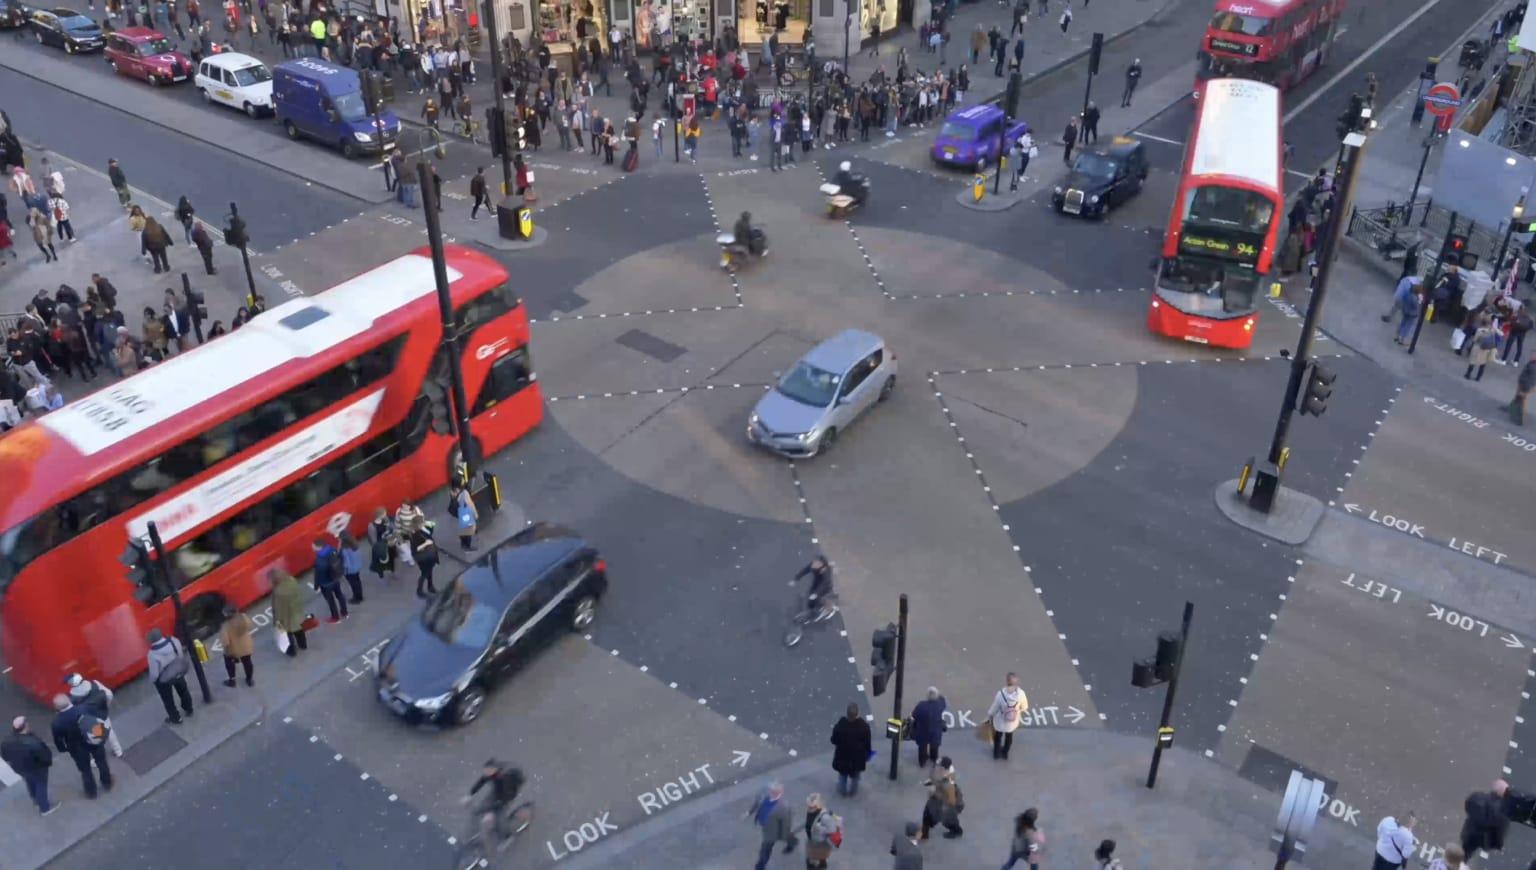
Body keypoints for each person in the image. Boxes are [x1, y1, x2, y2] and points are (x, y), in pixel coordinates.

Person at [51, 693, 112, 798]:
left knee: (85, 770)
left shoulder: (57, 722)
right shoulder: (85, 708)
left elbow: (58, 740)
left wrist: (63, 749)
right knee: (101, 762)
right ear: (69, 700)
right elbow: (97, 719)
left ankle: (91, 792)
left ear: (56, 707)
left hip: (76, 748)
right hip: (93, 740)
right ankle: (107, 783)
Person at [463, 760, 525, 847]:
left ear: (494, 769)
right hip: (496, 792)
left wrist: (491, 812)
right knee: (477, 811)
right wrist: (470, 795)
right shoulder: (490, 773)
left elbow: (505, 797)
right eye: (485, 771)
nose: (486, 773)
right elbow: (481, 782)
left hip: (506, 796)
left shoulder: (505, 778)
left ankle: (507, 837)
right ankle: (474, 834)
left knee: (500, 820)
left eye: (488, 771)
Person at [2, 716, 57, 814]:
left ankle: (35, 800)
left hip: (20, 768)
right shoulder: (33, 743)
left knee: (30, 782)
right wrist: (47, 763)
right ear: (25, 726)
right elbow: (44, 756)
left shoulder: (6, 741)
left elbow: (6, 756)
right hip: (37, 768)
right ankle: (45, 808)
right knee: (41, 785)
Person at [65, 673, 122, 758]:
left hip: (88, 722)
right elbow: (109, 694)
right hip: (102, 714)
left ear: (71, 684)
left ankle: (96, 760)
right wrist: (106, 706)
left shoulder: (71, 697)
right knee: (109, 732)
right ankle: (118, 751)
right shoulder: (95, 683)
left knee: (93, 740)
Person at [146, 628, 195, 724]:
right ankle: (189, 709)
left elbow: (154, 674)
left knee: (168, 699)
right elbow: (180, 654)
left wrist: (153, 681)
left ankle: (176, 718)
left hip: (164, 679)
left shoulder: (152, 654)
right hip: (178, 671)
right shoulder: (173, 641)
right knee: (183, 691)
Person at [749, 781, 798, 870]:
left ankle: (760, 866)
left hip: (772, 831)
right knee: (786, 837)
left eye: (775, 792)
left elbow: (785, 824)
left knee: (765, 850)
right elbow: (756, 804)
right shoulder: (763, 796)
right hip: (766, 825)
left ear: (780, 793)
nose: (771, 793)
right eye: (771, 790)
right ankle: (792, 842)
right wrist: (749, 813)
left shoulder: (783, 807)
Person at [830, 703, 872, 796]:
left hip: (842, 757)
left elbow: (834, 740)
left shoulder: (841, 725)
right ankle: (853, 792)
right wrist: (867, 755)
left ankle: (842, 791)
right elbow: (867, 744)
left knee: (842, 776)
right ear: (857, 714)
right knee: (855, 777)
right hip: (857, 758)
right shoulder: (864, 726)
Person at [1460, 780, 1512, 857]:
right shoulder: (1504, 812)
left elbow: (1468, 805)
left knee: (1463, 851)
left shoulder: (1478, 797)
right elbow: (1501, 832)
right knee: (1465, 854)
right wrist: (1497, 844)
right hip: (1484, 839)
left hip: (1470, 832)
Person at [986, 672, 1028, 759]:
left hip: (1000, 721)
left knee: (998, 736)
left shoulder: (1000, 694)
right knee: (1009, 737)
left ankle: (996, 754)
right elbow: (1024, 707)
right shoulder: (1021, 694)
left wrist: (990, 715)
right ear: (1016, 682)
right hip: (1012, 722)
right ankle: (1005, 753)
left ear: (1007, 681)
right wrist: (1017, 710)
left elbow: (994, 708)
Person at [920, 757, 963, 839]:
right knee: (927, 814)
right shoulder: (939, 773)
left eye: (938, 765)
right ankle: (924, 834)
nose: (935, 766)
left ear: (943, 769)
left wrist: (935, 794)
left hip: (949, 804)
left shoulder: (948, 783)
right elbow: (934, 779)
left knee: (947, 819)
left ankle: (956, 831)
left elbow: (952, 801)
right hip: (937, 798)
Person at [271, 568, 310, 656]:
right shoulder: (292, 580)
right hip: (297, 611)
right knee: (299, 630)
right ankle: (303, 645)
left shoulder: (278, 592)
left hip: (287, 618)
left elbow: (278, 609)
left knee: (288, 636)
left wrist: (277, 621)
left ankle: (292, 651)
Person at [909, 687, 947, 775]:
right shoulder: (939, 705)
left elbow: (914, 715)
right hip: (935, 731)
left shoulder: (921, 705)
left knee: (922, 747)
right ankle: (933, 759)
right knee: (934, 747)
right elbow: (943, 700)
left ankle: (922, 762)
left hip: (922, 731)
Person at [216, 604, 255, 687]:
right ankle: (249, 679)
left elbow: (225, 642)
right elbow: (250, 626)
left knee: (229, 662)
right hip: (246, 646)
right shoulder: (243, 617)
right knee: (247, 662)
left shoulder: (225, 626)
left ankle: (232, 680)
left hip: (233, 649)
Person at [312, 536, 349, 622]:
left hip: (326, 583)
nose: (312, 547)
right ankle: (345, 612)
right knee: (339, 595)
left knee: (331, 601)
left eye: (313, 546)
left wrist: (316, 586)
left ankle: (335, 617)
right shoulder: (332, 550)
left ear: (319, 547)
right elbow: (340, 558)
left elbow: (318, 574)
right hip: (335, 578)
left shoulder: (319, 559)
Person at [804, 793, 840, 869]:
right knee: (813, 857)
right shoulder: (810, 812)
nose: (809, 808)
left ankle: (821, 866)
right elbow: (808, 822)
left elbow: (832, 830)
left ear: (817, 805)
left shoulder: (825, 817)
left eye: (811, 806)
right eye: (808, 805)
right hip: (813, 840)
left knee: (816, 858)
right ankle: (820, 864)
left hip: (821, 843)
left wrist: (820, 828)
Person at [411, 520, 441, 597]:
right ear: (418, 525)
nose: (424, 523)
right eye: (422, 523)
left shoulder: (423, 530)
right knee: (424, 574)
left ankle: (430, 587)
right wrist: (426, 543)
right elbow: (416, 549)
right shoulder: (415, 535)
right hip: (423, 558)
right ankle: (419, 590)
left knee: (429, 572)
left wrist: (431, 526)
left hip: (429, 556)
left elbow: (429, 533)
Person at [369, 506, 398, 578]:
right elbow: (373, 540)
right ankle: (380, 572)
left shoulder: (385, 520)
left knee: (391, 558)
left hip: (389, 543)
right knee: (380, 560)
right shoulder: (372, 526)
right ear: (380, 515)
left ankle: (393, 571)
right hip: (381, 545)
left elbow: (391, 528)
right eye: (384, 514)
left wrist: (392, 535)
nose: (386, 515)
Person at [339, 530, 365, 604]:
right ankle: (360, 596)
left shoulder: (345, 549)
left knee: (353, 584)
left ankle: (356, 598)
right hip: (357, 567)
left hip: (350, 570)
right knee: (358, 582)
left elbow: (346, 562)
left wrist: (344, 570)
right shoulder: (354, 544)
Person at [1509, 353, 1536, 425]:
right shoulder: (1531, 363)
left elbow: (1532, 379)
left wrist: (1527, 389)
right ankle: (1512, 409)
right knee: (1518, 397)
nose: (1531, 356)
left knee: (1522, 400)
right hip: (1523, 383)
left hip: (1525, 385)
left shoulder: (1533, 367)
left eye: (1533, 355)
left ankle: (1521, 419)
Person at [451, 481, 479, 550]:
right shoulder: (464, 493)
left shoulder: (453, 492)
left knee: (464, 529)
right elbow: (470, 505)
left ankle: (463, 543)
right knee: (468, 530)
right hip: (466, 513)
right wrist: (475, 515)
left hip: (460, 513)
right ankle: (467, 546)